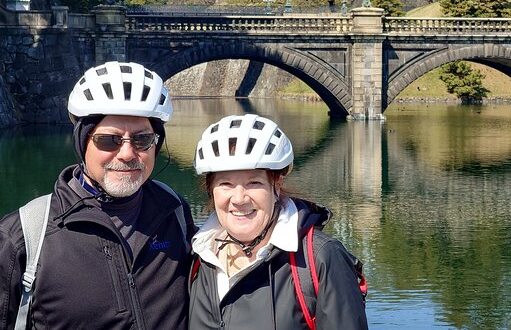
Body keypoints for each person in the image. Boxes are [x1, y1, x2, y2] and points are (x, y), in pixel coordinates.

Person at [0, 61, 197, 329]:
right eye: (108, 140)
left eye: (142, 140)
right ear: (82, 142)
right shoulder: (23, 236)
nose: (127, 154)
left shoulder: (175, 212)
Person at [189, 113, 368, 329]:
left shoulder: (321, 257)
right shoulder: (199, 256)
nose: (239, 199)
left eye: (253, 183)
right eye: (226, 184)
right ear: (211, 189)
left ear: (276, 184)